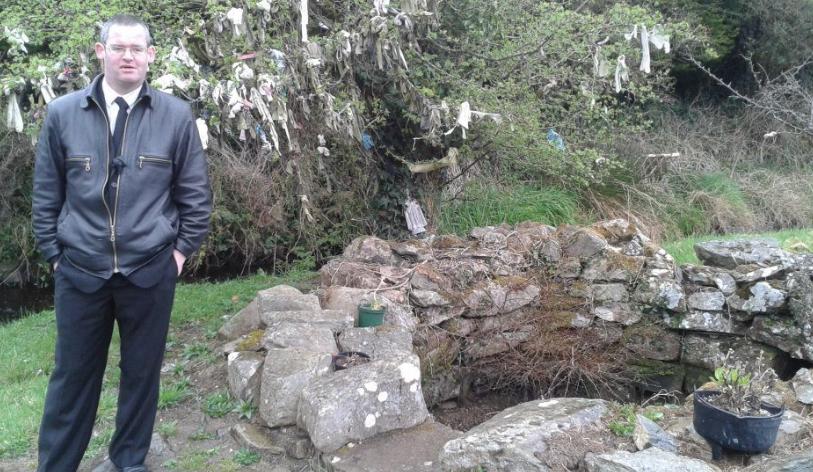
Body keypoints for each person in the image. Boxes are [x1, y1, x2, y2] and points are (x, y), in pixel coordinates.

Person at [32, 14, 211, 472]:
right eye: (119, 48)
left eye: (137, 49)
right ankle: (57, 465)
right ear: (101, 52)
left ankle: (128, 462)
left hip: (149, 270)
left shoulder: (174, 115)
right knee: (72, 379)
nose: (127, 57)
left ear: (151, 56)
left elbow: (195, 196)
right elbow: (47, 194)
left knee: (141, 375)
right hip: (80, 270)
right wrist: (55, 255)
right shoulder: (63, 113)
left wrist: (178, 254)